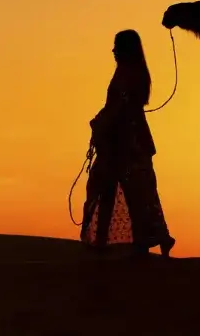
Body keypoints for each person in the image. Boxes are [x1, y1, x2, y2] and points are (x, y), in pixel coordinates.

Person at [80, 29, 175, 258]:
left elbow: (120, 107)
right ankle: (143, 240)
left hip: (125, 142)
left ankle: (109, 242)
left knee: (122, 191)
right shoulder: (133, 74)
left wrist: (103, 122)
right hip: (125, 140)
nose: (113, 51)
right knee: (130, 192)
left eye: (117, 47)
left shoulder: (128, 75)